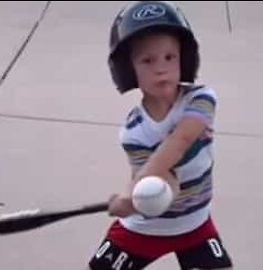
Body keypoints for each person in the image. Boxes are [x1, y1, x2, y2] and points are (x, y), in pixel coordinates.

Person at [87, 1, 233, 269]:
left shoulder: (201, 100)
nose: (161, 68)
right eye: (147, 60)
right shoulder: (134, 131)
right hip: (145, 229)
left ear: (184, 59)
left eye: (170, 57)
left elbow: (181, 141)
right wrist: (132, 200)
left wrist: (132, 193)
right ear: (129, 70)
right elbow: (166, 182)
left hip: (195, 224)